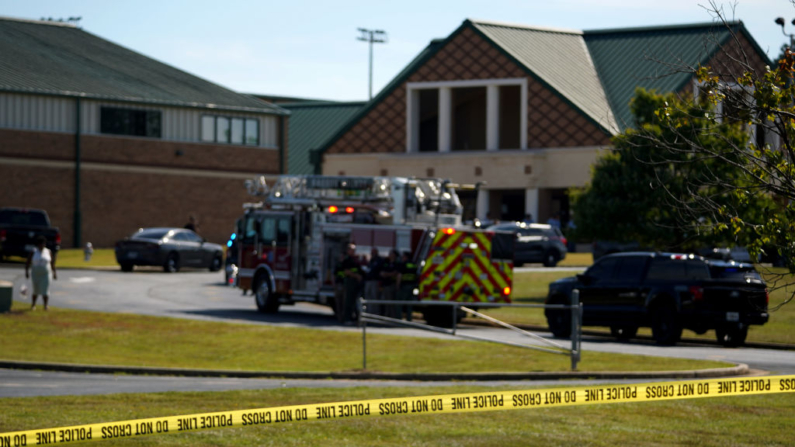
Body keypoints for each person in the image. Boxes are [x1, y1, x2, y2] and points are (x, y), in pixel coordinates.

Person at [25, 236, 57, 311]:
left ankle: (45, 305)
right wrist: (27, 272)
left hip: (45, 274)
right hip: (35, 273)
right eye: (40, 244)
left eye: (43, 244)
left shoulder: (48, 251)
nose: (41, 245)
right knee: (35, 289)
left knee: (45, 290)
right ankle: (33, 305)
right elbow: (28, 262)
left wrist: (54, 272)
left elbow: (52, 263)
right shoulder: (34, 251)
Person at [339, 244, 363, 325]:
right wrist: (357, 276)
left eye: (354, 250)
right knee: (348, 301)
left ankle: (352, 318)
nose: (353, 251)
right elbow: (346, 272)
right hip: (350, 282)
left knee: (353, 301)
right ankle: (346, 319)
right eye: (352, 250)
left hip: (355, 283)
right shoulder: (347, 259)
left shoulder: (354, 259)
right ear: (348, 250)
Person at [397, 251, 418, 321]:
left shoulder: (404, 264)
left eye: (403, 256)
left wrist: (397, 285)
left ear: (406, 257)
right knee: (409, 304)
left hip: (404, 286)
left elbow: (400, 275)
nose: (402, 258)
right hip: (412, 286)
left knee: (399, 303)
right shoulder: (414, 264)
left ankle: (399, 319)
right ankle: (409, 319)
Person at [363, 247, 384, 316]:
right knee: (368, 297)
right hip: (368, 281)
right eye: (372, 252)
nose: (372, 253)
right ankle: (368, 313)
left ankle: (375, 314)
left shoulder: (379, 260)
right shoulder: (371, 260)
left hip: (375, 281)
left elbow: (378, 271)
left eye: (374, 252)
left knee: (374, 297)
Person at [380, 250, 400, 319]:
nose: (390, 255)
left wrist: (387, 274)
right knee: (386, 302)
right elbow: (382, 272)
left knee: (391, 302)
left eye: (392, 253)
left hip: (391, 285)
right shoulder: (386, 262)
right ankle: (386, 316)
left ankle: (392, 317)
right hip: (385, 285)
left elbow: (395, 273)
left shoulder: (396, 263)